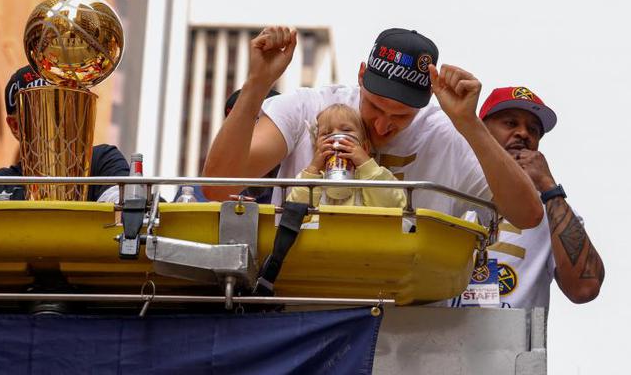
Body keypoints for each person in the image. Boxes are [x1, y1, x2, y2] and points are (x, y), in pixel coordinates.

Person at [202, 27, 543, 229]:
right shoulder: (308, 107)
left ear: (427, 99)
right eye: (375, 106)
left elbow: (527, 216)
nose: (382, 125)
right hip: (305, 308)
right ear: (361, 75)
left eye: (402, 116)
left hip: (412, 317)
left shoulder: (445, 133)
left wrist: (470, 124)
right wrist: (258, 83)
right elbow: (218, 186)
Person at [463, 86, 603, 308]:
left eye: (533, 129)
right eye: (510, 123)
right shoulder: (449, 181)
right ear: (482, 129)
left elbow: (585, 288)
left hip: (510, 332)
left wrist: (548, 186)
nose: (523, 133)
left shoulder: (552, 209)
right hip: (430, 330)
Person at [0, 65, 129, 202]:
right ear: (15, 126)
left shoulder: (103, 162)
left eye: (64, 106)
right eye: (40, 113)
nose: (55, 122)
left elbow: (120, 212)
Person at [287, 103, 406, 208]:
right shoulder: (309, 178)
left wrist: (366, 165)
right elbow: (293, 213)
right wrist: (313, 170)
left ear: (364, 148)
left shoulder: (376, 174)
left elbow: (392, 205)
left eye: (346, 130)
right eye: (326, 133)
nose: (336, 139)